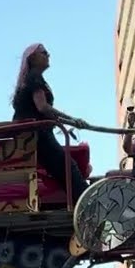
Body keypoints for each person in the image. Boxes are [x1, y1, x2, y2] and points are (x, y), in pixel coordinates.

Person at [11, 42, 90, 205]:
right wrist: (73, 120)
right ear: (32, 58)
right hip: (37, 134)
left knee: (63, 169)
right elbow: (43, 107)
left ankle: (80, 204)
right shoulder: (34, 77)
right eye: (44, 53)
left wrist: (67, 121)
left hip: (33, 134)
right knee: (68, 167)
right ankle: (88, 205)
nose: (48, 55)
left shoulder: (31, 79)